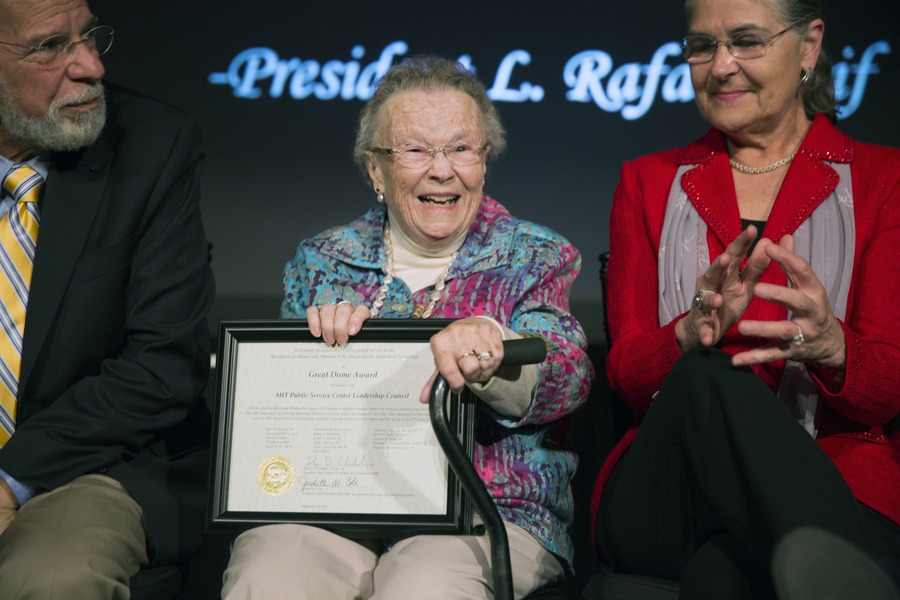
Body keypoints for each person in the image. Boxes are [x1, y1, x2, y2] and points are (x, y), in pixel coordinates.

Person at [221, 57, 592, 600]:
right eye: (416, 150)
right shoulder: (323, 260)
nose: (442, 171)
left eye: (462, 149)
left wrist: (495, 351)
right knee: (269, 570)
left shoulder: (533, 254)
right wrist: (319, 349)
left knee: (421, 585)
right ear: (375, 169)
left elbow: (568, 374)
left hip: (486, 511)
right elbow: (281, 413)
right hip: (340, 510)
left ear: (484, 162)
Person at [590, 0, 900, 598]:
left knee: (722, 579)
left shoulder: (882, 181)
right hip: (667, 491)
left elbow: (886, 388)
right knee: (706, 373)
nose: (721, 66)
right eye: (702, 46)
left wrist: (834, 347)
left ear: (808, 46)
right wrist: (687, 334)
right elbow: (627, 380)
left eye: (747, 41)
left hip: (837, 478)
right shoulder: (647, 181)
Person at [0, 0, 215, 598]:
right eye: (49, 47)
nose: (91, 65)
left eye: (89, 36)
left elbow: (164, 364)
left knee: (50, 579)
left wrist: (7, 478)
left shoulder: (152, 144)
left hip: (95, 460)